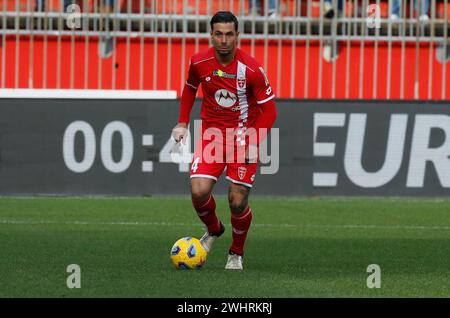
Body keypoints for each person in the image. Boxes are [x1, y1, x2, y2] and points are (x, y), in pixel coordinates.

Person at [171, 11, 277, 270]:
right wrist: (183, 122)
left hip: (243, 138)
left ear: (237, 36)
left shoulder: (251, 69)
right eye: (218, 34)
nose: (224, 40)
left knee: (237, 200)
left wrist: (255, 140)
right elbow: (189, 87)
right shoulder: (199, 62)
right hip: (212, 137)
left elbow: (270, 110)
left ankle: (236, 253)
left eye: (229, 34)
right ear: (211, 35)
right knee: (198, 191)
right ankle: (214, 228)